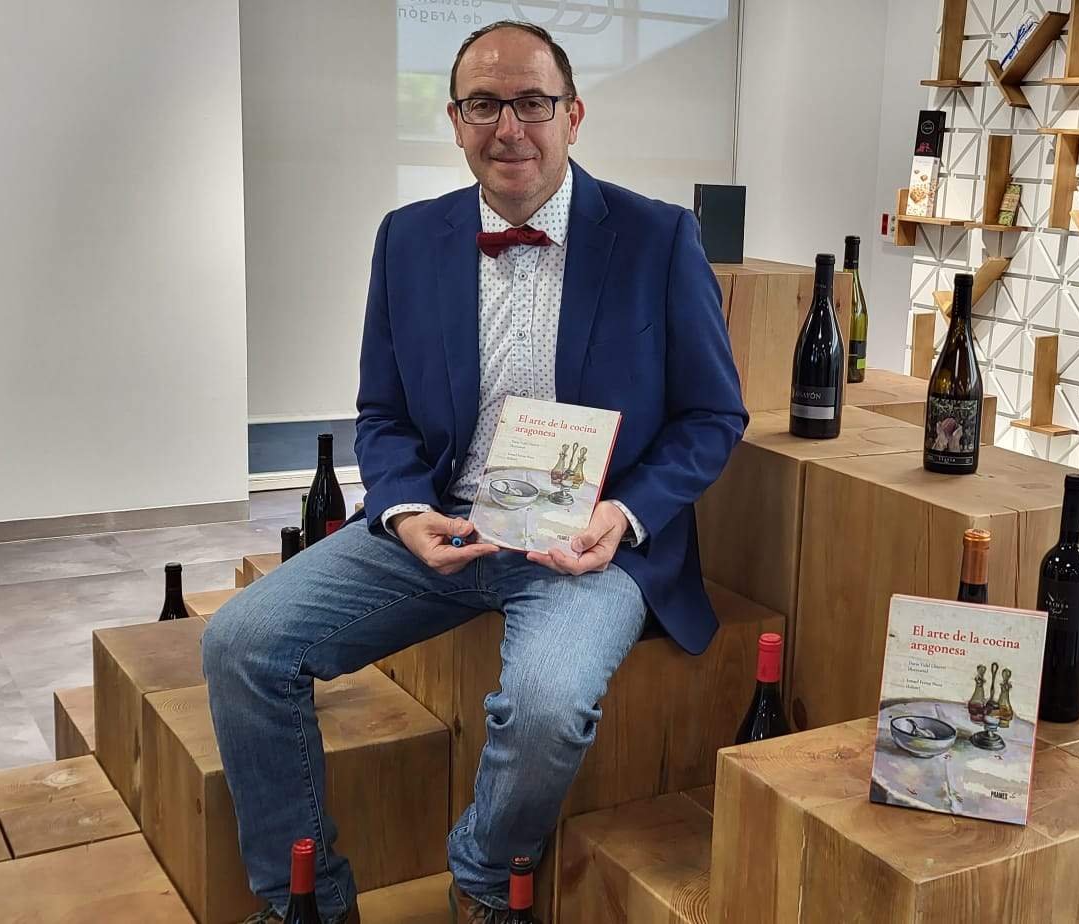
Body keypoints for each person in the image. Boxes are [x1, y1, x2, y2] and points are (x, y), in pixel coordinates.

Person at [202, 19, 747, 924]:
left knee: (542, 706)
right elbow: (381, 414)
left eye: (532, 102)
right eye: (484, 104)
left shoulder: (658, 238)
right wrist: (406, 509)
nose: (509, 127)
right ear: (455, 121)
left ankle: (486, 880)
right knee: (240, 644)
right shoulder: (407, 239)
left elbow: (713, 416)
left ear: (573, 114)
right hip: (445, 531)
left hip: (588, 548)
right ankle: (304, 896)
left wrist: (626, 513)